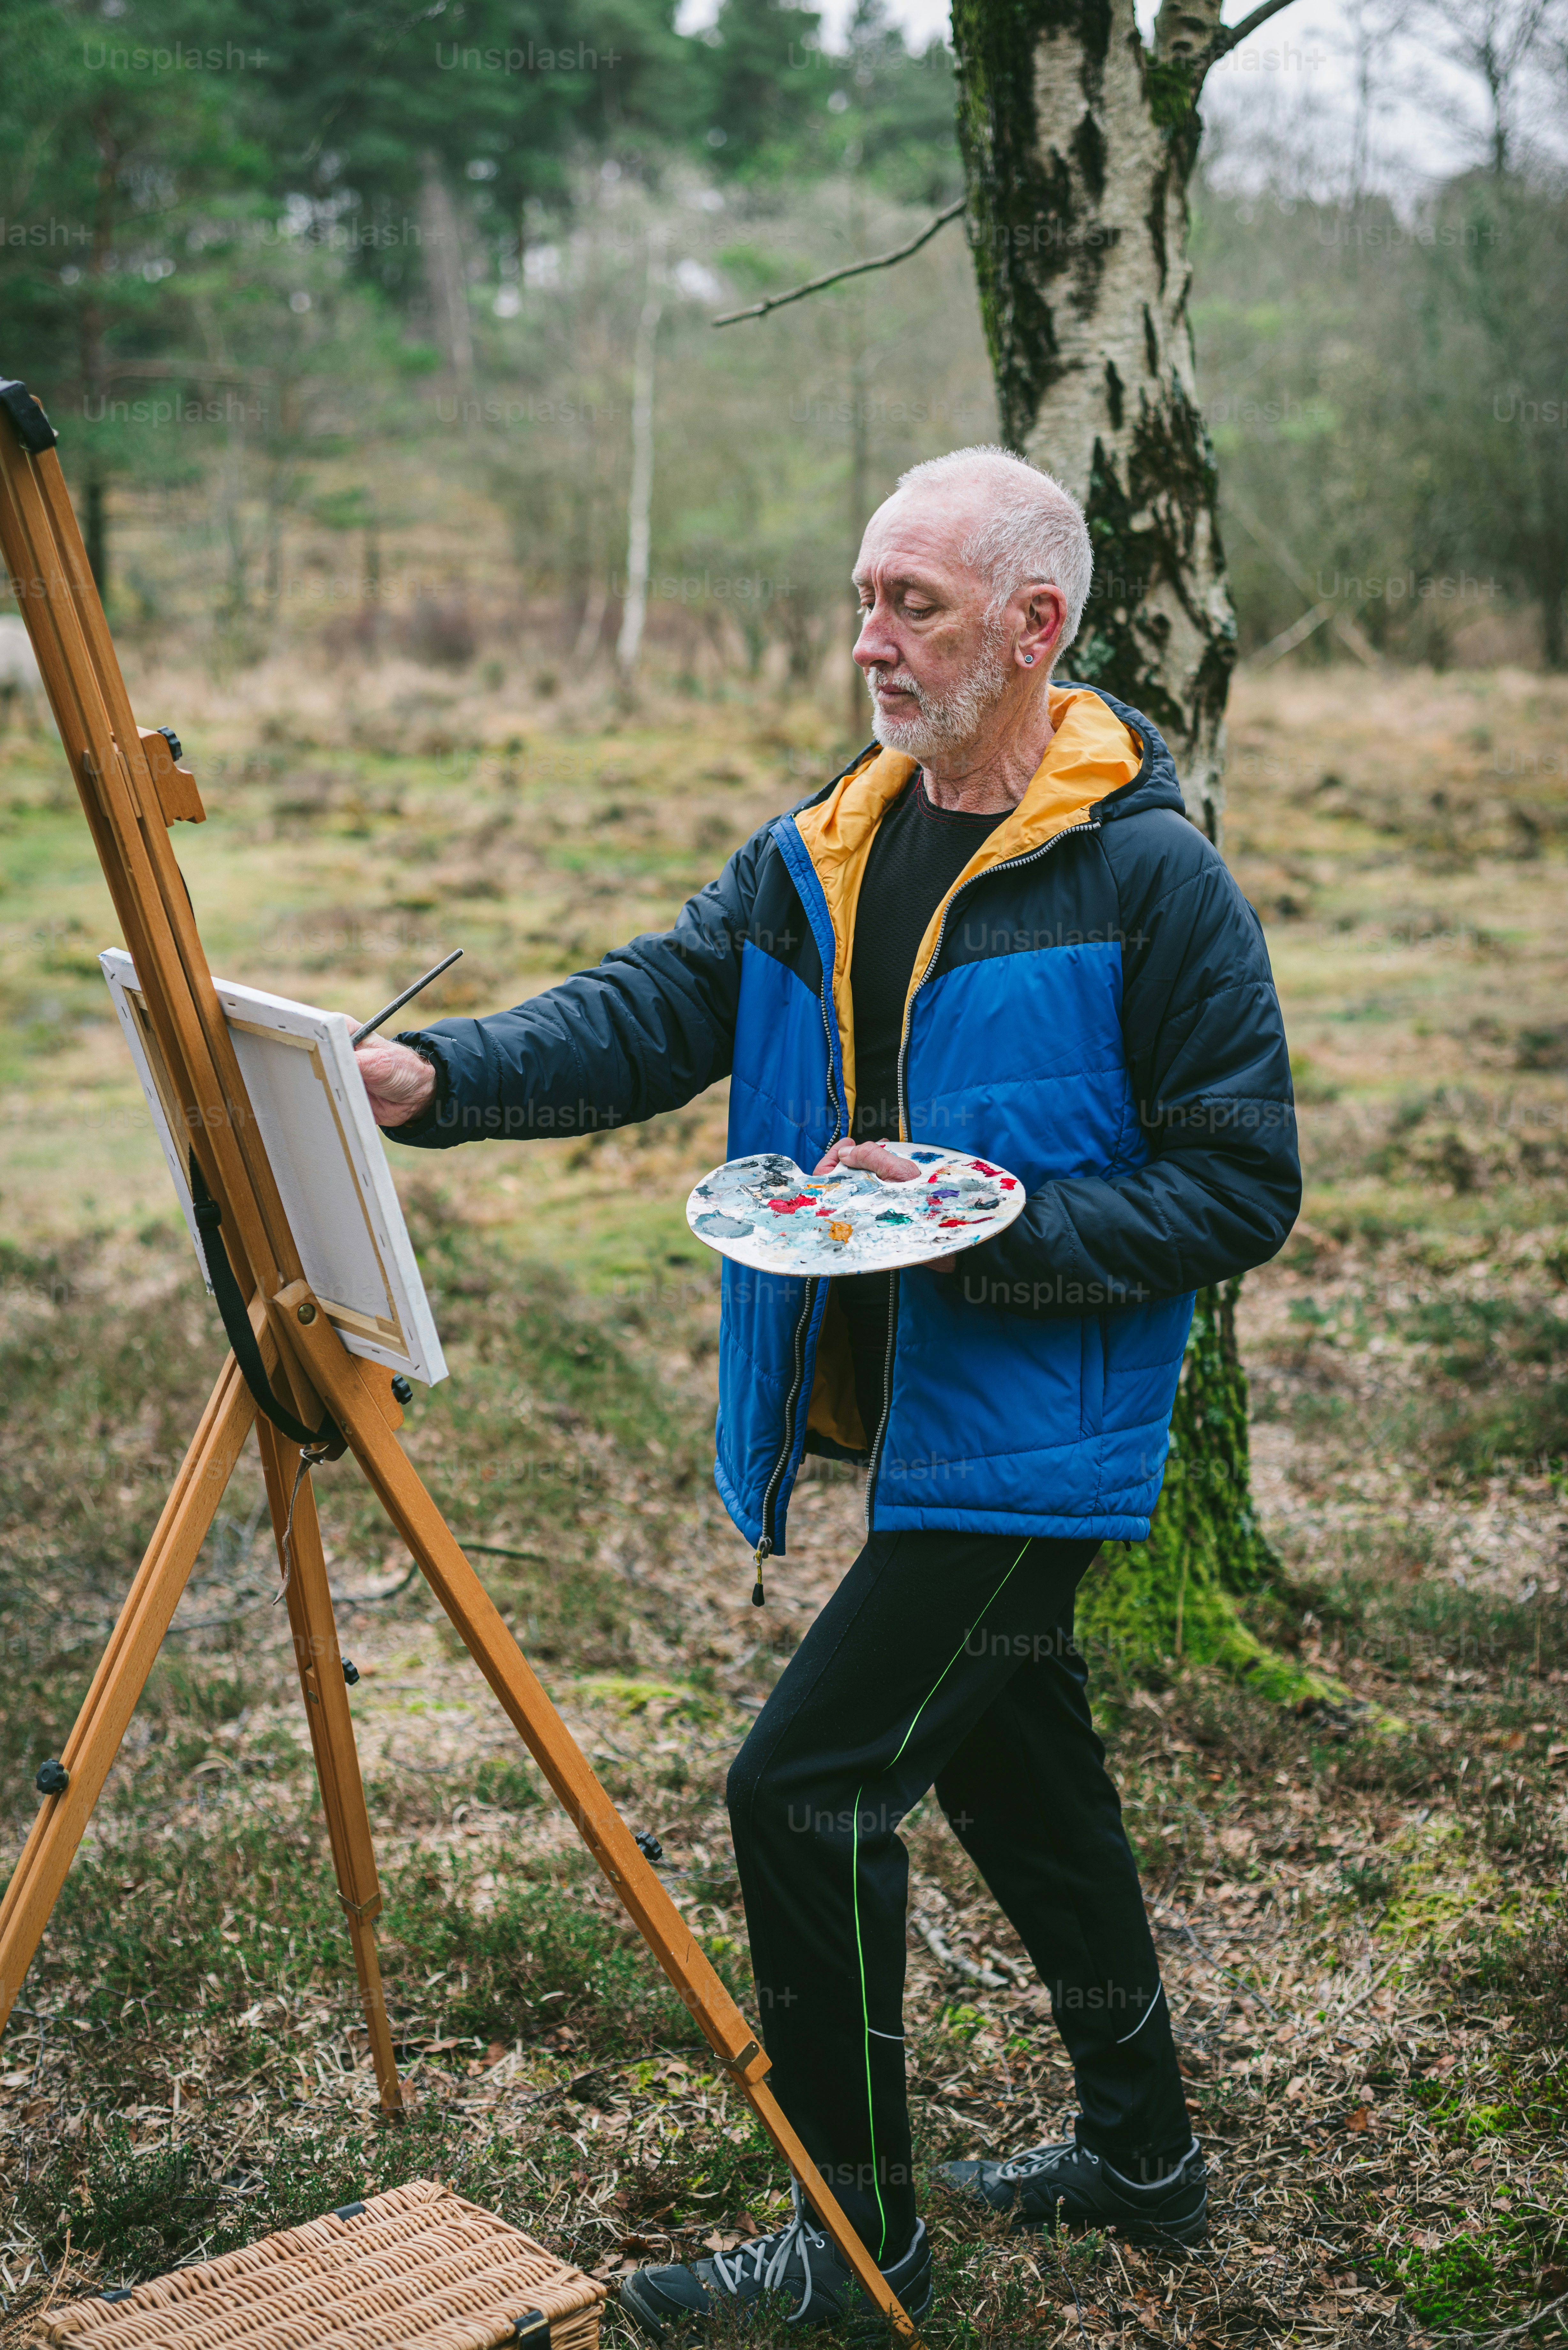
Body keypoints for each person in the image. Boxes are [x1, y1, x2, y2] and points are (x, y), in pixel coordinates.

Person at [356, 446, 1300, 2335]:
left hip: (1040, 1430)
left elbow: (1240, 1183)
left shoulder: (1153, 878)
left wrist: (984, 1221)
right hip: (913, 1421)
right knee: (1026, 1777)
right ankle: (1144, 2162)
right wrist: (436, 1080)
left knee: (802, 1791)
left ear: (1034, 627)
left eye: (914, 607)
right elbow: (653, 1010)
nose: (870, 640)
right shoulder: (827, 844)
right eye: (865, 598)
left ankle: (855, 2249)